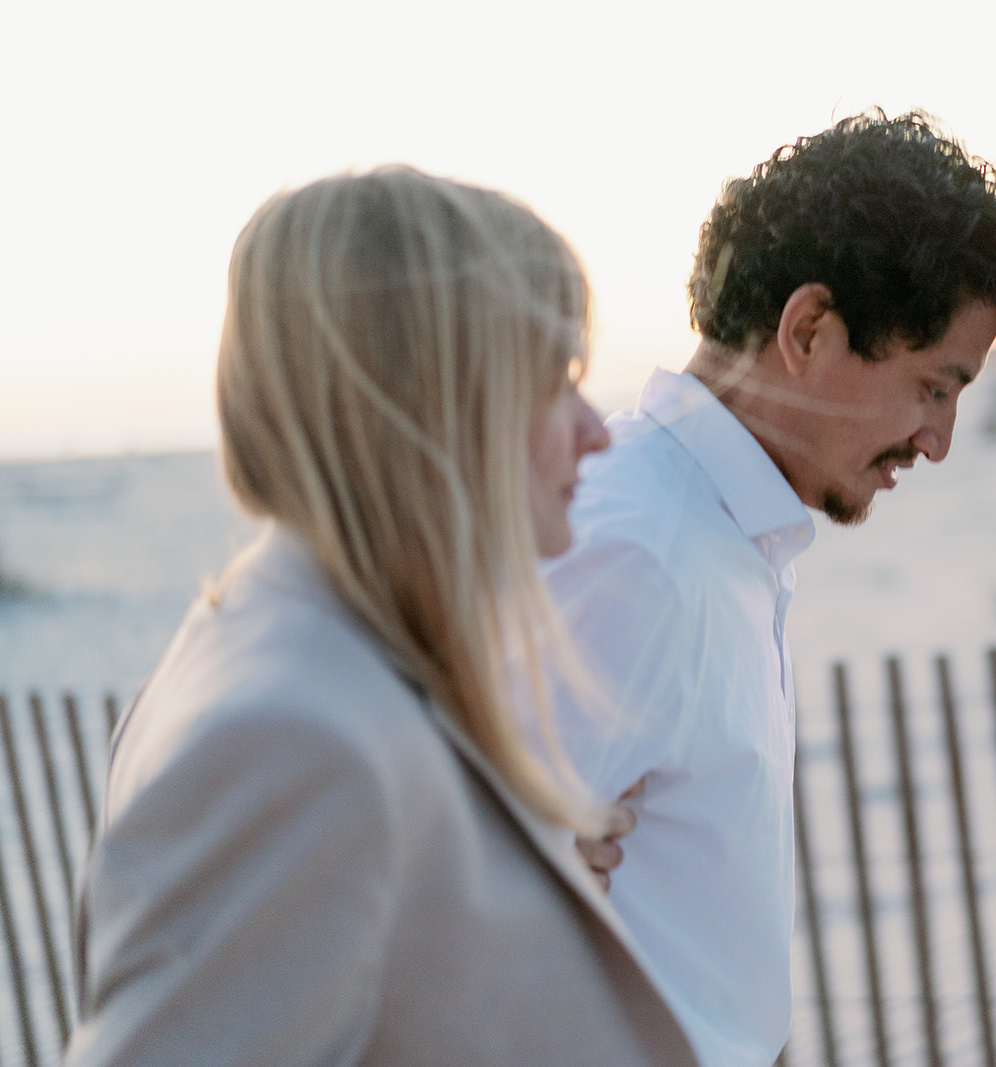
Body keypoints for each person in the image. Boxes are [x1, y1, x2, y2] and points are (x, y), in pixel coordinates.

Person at [65, 167, 697, 1066]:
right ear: (436, 400)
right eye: (556, 378)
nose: (597, 430)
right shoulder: (292, 739)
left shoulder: (305, 649)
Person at [547, 110, 996, 1066]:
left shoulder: (720, 535)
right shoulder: (637, 552)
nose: (938, 440)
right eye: (933, 386)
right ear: (810, 328)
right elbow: (452, 933)